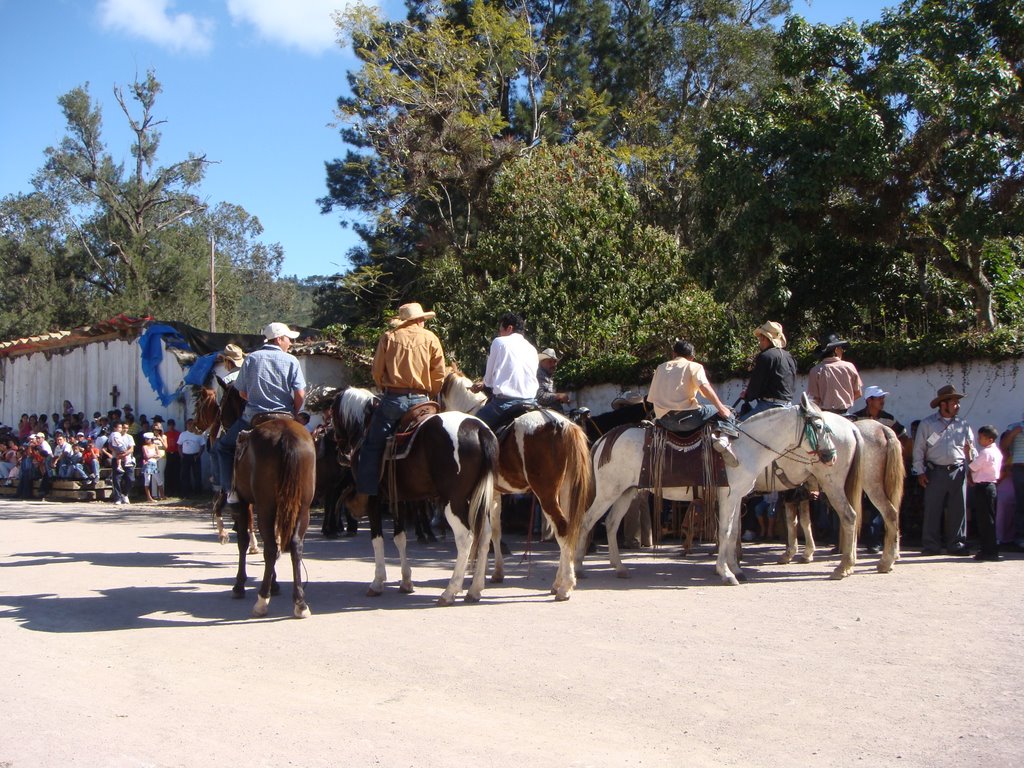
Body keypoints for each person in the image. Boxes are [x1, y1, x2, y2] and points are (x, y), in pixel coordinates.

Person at [349, 302, 445, 517]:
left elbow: (377, 371)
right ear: (419, 320)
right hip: (422, 402)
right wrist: (431, 392)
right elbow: (438, 373)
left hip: (394, 400)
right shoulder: (431, 338)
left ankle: (364, 496)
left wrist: (385, 386)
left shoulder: (389, 337)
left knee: (372, 445)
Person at [216, 322, 306, 507]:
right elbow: (300, 394)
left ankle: (230, 491)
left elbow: (241, 392)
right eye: (288, 339)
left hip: (254, 417)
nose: (290, 343)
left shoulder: (251, 359)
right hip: (285, 416)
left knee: (222, 448)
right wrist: (295, 414)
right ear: (279, 339)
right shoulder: (292, 360)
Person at [647, 338, 738, 466]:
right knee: (729, 410)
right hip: (688, 418)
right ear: (692, 357)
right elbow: (704, 387)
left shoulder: (660, 368)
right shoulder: (694, 366)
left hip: (664, 421)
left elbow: (651, 398)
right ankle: (723, 441)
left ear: (674, 354)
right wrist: (721, 408)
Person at [912, 385, 975, 555]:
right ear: (943, 404)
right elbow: (919, 449)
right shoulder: (927, 424)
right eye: (954, 402)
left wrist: (971, 462)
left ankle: (957, 545)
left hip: (958, 470)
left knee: (958, 510)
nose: (958, 406)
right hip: (935, 471)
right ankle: (931, 545)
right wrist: (920, 471)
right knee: (933, 509)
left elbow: (972, 449)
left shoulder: (963, 425)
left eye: (957, 402)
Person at [851, 385, 908, 553]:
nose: (882, 401)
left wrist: (897, 457)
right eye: (878, 398)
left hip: (883, 467)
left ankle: (876, 540)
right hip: (860, 467)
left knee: (878, 503)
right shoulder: (856, 418)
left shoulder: (889, 419)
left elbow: (903, 436)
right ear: (869, 400)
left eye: (882, 398)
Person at [475, 312, 539, 430]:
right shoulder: (532, 349)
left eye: (500, 330)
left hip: (505, 403)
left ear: (509, 328)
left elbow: (488, 380)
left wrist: (485, 383)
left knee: (473, 427)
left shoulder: (499, 342)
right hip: (531, 403)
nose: (499, 333)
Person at [740, 321, 797, 419]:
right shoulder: (789, 357)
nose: (759, 341)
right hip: (788, 406)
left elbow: (757, 383)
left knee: (739, 428)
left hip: (769, 406)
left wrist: (747, 395)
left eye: (760, 338)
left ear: (764, 338)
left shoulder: (765, 356)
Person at [969, 425, 1003, 561]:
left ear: (989, 439)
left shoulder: (985, 453)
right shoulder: (996, 452)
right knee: (988, 519)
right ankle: (990, 549)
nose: (979, 439)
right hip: (991, 486)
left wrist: (968, 454)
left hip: (984, 487)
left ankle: (988, 550)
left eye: (981, 437)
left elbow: (973, 466)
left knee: (985, 520)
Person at [807, 333, 862, 414]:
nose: (842, 351)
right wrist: (845, 401)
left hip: (826, 415)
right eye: (841, 348)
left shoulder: (815, 370)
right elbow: (858, 393)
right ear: (836, 349)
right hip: (846, 414)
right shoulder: (849, 367)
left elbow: (816, 399)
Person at [998, 414, 1024, 551]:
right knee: (1021, 503)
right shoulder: (1013, 427)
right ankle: (1020, 538)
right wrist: (1014, 433)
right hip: (1019, 468)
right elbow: (1003, 446)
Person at [107, 422, 136, 505]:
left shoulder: (129, 437)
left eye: (127, 428)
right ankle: (118, 497)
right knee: (116, 479)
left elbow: (131, 449)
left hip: (128, 459)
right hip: (116, 458)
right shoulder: (115, 435)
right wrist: (117, 453)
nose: (125, 429)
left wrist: (123, 454)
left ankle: (125, 494)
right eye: (123, 427)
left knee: (131, 479)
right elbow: (110, 446)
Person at [177, 419, 206, 497]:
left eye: (192, 424)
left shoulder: (199, 434)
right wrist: (181, 455)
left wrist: (199, 455)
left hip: (195, 456)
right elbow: (179, 445)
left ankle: (198, 493)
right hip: (185, 456)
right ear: (186, 425)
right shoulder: (183, 434)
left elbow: (203, 445)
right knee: (185, 475)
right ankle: (185, 492)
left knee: (197, 475)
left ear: (194, 425)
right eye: (188, 424)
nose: (190, 425)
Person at [536, 348, 570, 413]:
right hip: (544, 411)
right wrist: (558, 396)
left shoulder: (549, 375)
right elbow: (540, 397)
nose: (553, 365)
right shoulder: (539, 374)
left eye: (554, 362)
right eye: (550, 361)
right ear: (541, 362)